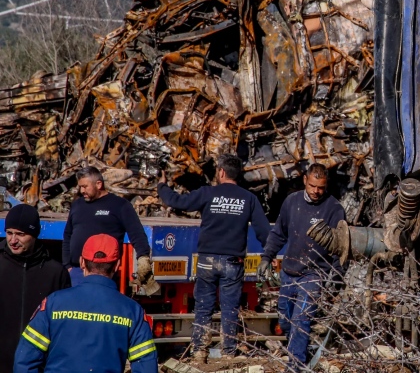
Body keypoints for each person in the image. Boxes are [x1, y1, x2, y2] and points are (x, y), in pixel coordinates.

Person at [157, 154, 271, 363]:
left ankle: (199, 352)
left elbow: (177, 201)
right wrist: (269, 256)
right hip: (233, 262)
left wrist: (162, 186)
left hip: (207, 261)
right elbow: (264, 232)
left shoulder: (208, 193)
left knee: (203, 306)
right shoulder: (248, 199)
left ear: (221, 172)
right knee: (230, 308)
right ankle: (228, 353)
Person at [13, 233, 157, 373]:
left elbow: (24, 360)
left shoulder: (53, 303)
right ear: (117, 265)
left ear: (82, 262)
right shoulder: (132, 311)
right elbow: (146, 365)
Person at [259, 163, 345, 366]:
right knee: (284, 320)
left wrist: (337, 277)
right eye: (313, 186)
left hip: (314, 275)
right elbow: (278, 233)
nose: (316, 191)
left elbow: (342, 248)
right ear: (305, 180)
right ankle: (301, 351)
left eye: (321, 187)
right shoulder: (292, 201)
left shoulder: (334, 209)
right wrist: (266, 257)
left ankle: (295, 365)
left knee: (300, 320)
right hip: (289, 272)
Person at [0, 205, 70, 372]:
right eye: (9, 233)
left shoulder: (55, 273)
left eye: (20, 234)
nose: (13, 240)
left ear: (34, 234)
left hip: (38, 365)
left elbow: (63, 326)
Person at [62, 166, 152, 288]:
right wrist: (67, 266)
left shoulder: (119, 205)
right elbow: (68, 235)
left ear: (98, 184)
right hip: (76, 272)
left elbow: (137, 233)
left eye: (85, 186)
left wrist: (143, 257)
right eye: (80, 187)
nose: (82, 191)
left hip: (105, 273)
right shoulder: (77, 205)